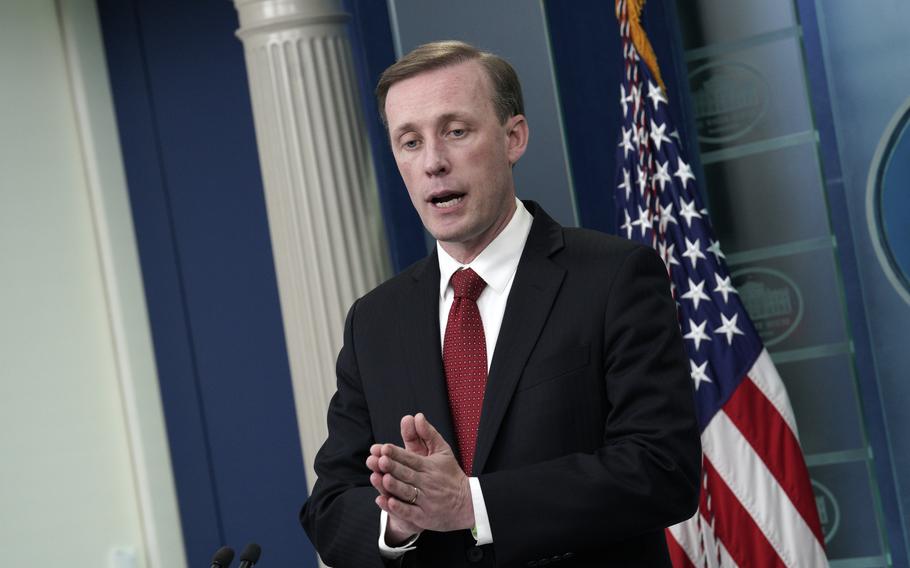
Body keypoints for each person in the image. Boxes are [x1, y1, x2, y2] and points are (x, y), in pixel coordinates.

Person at [300, 40, 700, 567]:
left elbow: (661, 469)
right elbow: (329, 506)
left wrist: (473, 505)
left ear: (514, 138)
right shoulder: (374, 320)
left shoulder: (613, 278)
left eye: (456, 131)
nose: (434, 164)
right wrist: (402, 516)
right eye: (410, 142)